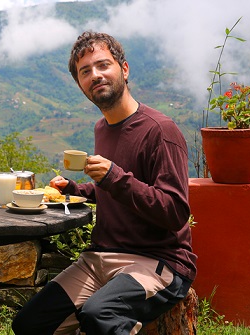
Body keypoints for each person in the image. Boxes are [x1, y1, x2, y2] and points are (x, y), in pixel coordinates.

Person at [12, 31, 196, 334]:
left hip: (156, 261)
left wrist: (114, 177)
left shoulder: (160, 131)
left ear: (124, 69)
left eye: (102, 65)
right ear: (80, 84)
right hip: (100, 258)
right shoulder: (103, 128)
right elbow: (113, 191)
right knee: (29, 324)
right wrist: (75, 190)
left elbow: (175, 211)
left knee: (100, 316)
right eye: (85, 72)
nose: (95, 75)